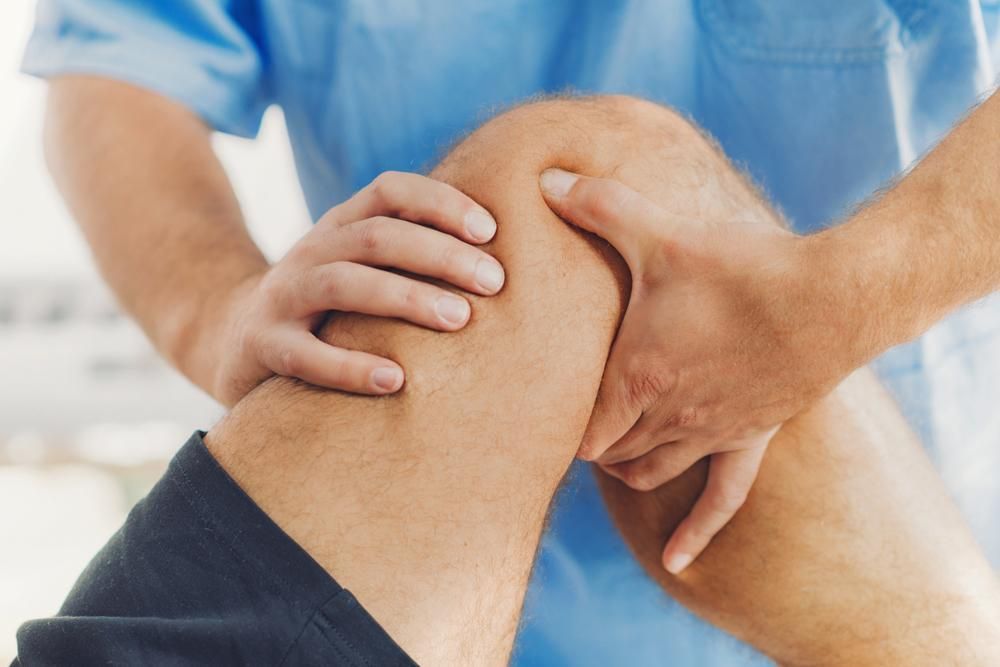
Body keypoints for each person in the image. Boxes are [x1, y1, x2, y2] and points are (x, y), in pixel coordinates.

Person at [22, 2, 1000, 663]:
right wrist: (216, 309)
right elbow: (117, 63)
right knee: (578, 177)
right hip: (419, 577)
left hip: (915, 508)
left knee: (586, 173)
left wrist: (843, 298)